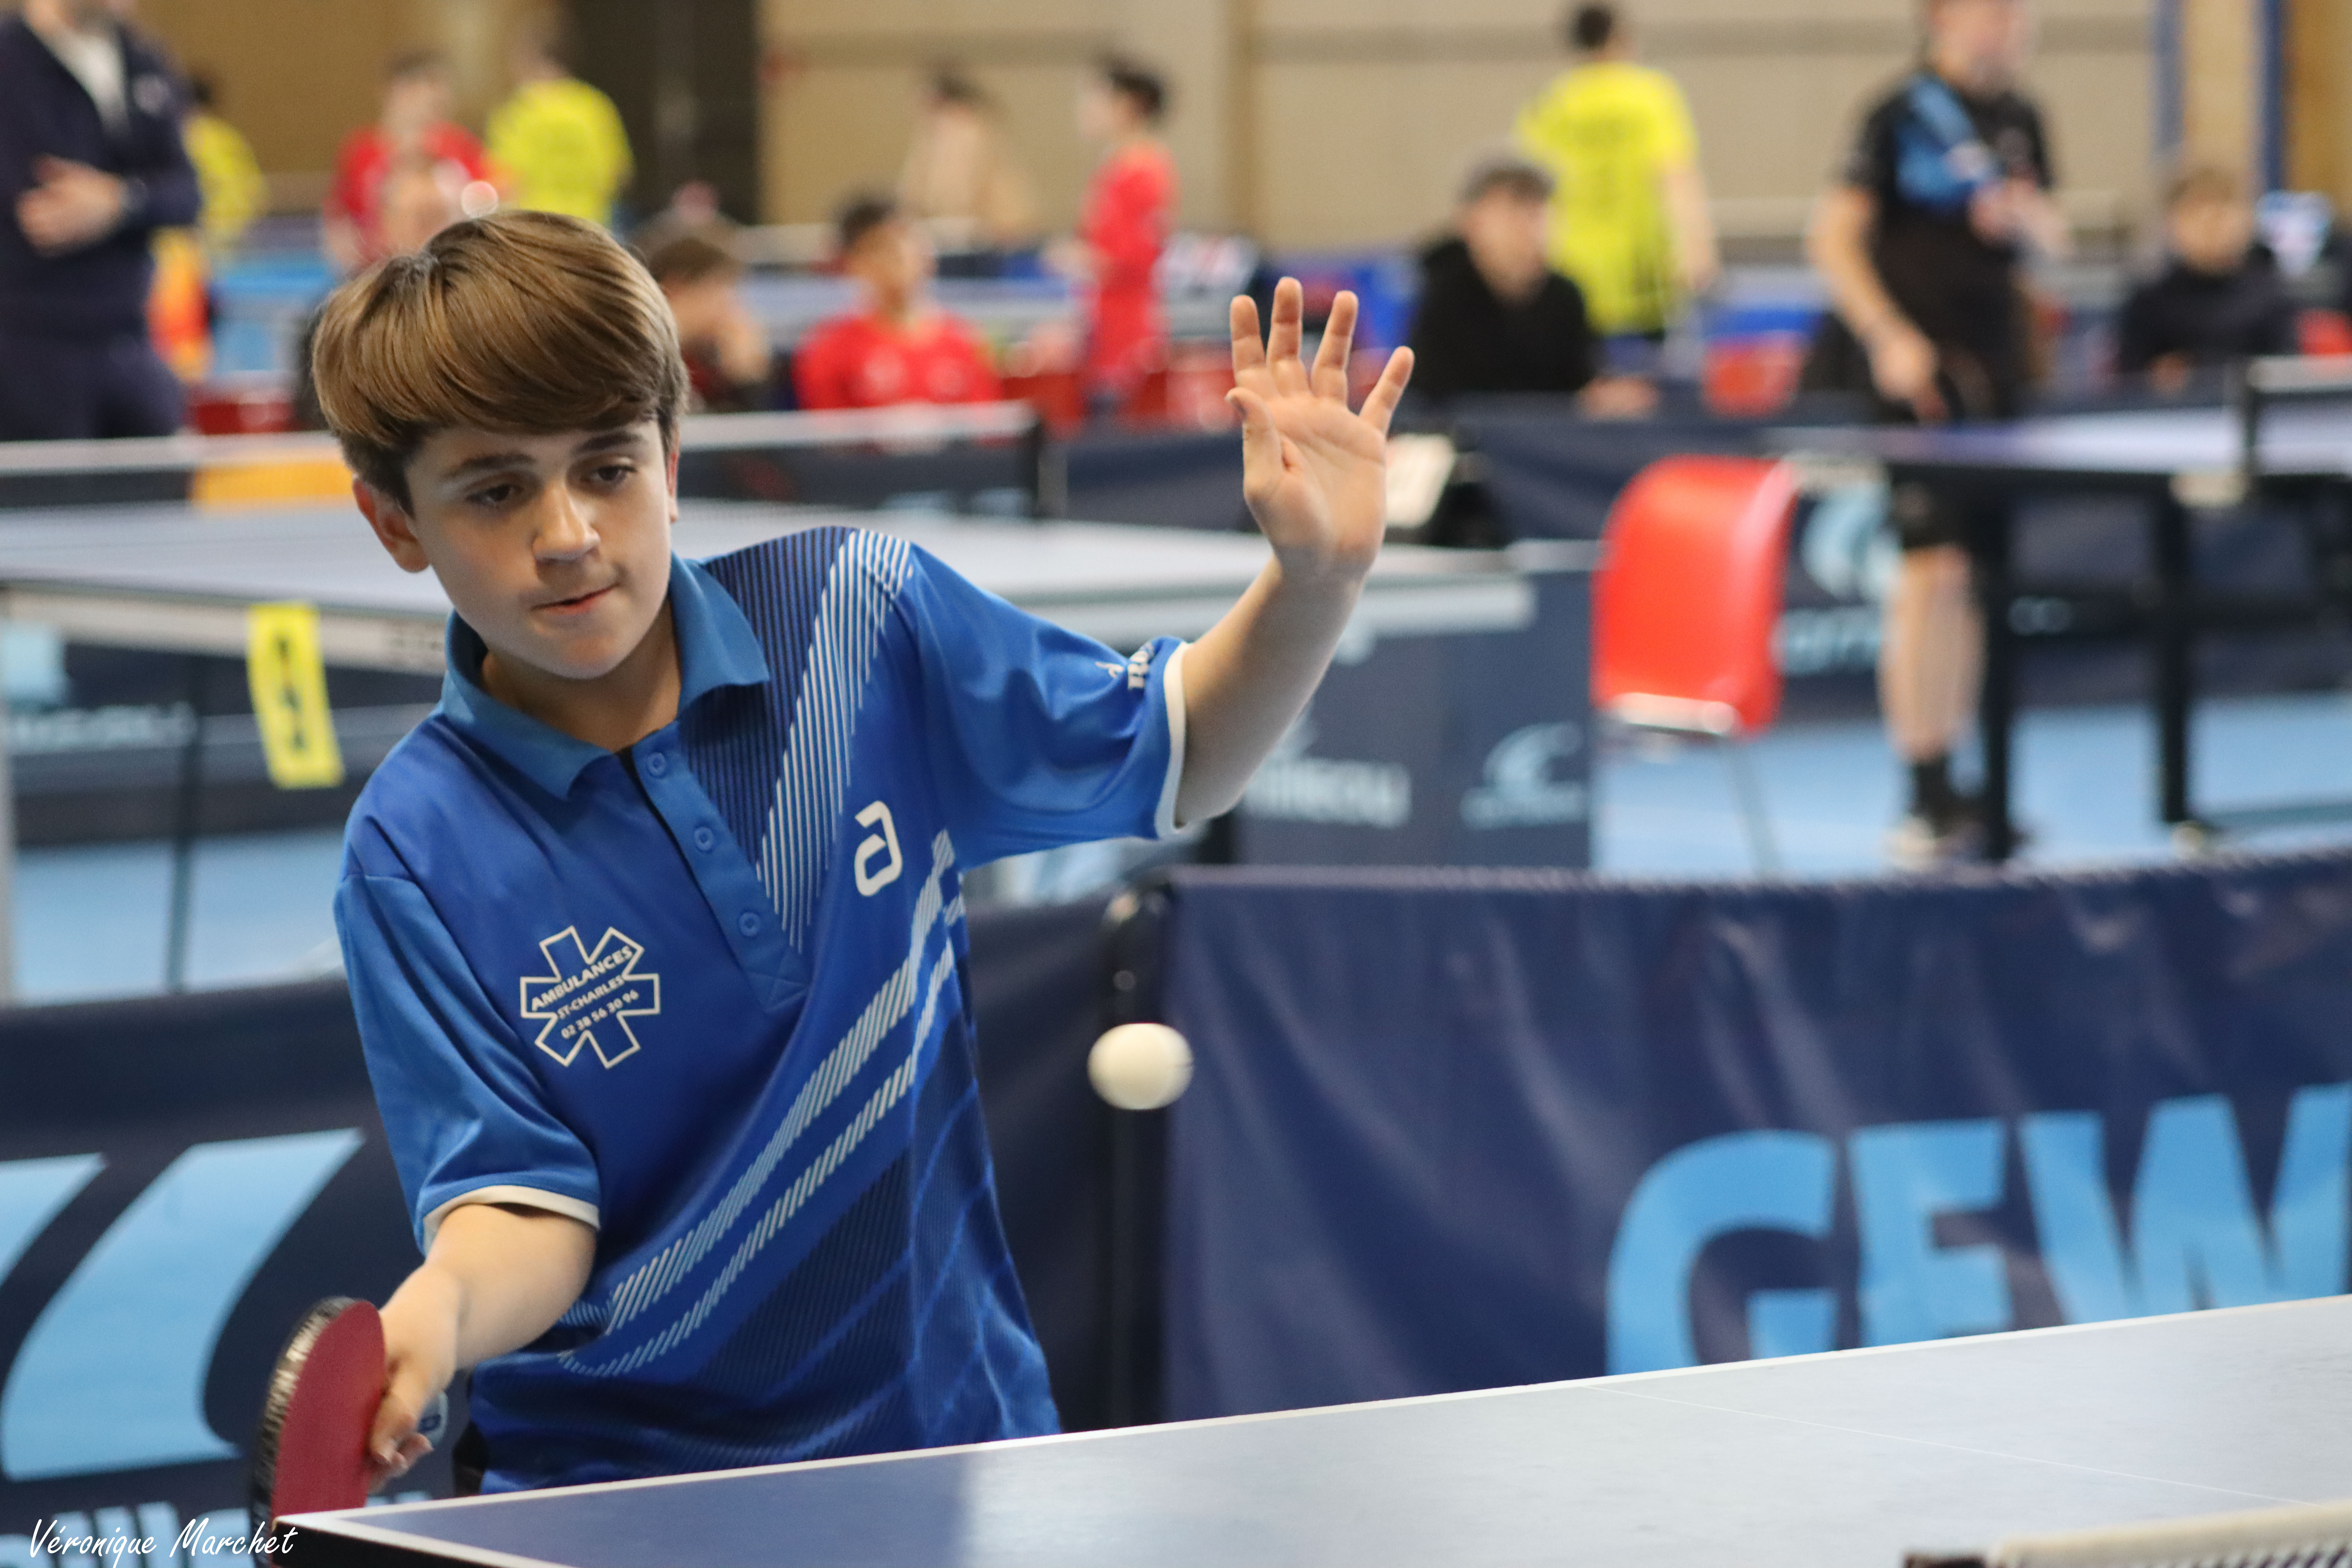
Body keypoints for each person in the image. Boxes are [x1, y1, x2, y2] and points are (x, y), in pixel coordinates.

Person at [304, 209, 1411, 1491]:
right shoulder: (415, 848)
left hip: (956, 1446)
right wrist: (438, 1311)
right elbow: (527, 1209)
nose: (567, 532)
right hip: (623, 1493)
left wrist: (1314, 583)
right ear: (396, 521)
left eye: (606, 466)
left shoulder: (855, 618)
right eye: (496, 489)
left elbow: (1180, 751)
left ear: (669, 455)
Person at [1806, 0, 2066, 864]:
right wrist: (1888, 336)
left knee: (1978, 583)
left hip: (1999, 388)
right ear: (1943, 18)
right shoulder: (1896, 114)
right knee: (1930, 573)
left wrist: (2028, 224)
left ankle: (1965, 781)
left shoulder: (2023, 119)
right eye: (1993, 8)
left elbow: (2052, 239)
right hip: (1918, 387)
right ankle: (1921, 792)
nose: (2011, 22)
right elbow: (1832, 240)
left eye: (2017, 10)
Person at [0, 0, 200, 441]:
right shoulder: (11, 64)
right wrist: (128, 201)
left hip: (131, 339)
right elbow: (40, 208)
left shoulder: (142, 60)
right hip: (29, 351)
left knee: (166, 470)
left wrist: (121, 201)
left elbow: (186, 194)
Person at [1514, 3, 1719, 361]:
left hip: (1571, 281)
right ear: (1620, 38)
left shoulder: (1551, 104)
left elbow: (1527, 196)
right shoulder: (1650, 96)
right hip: (1641, 283)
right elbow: (1675, 176)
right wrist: (1697, 249)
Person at [1407, 152, 1656, 415]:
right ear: (1472, 221)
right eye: (1513, 211)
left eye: (1537, 211)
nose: (1528, 228)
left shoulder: (1566, 298)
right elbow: (1428, 400)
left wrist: (1605, 398)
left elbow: (1581, 387)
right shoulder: (1442, 293)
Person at [795, 194, 1001, 412]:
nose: (902, 254)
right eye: (881, 247)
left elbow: (985, 424)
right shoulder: (829, 348)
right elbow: (828, 427)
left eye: (908, 239)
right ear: (854, 262)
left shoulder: (965, 341)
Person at [2115, 165, 2298, 393]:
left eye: (2222, 209)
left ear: (2248, 219)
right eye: (2195, 209)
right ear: (2171, 224)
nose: (2209, 222)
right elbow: (2128, 386)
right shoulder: (2148, 304)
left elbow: (2286, 379)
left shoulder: (2271, 298)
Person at [1061, 55, 1176, 413]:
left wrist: (1078, 258)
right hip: (1102, 325)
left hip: (1128, 334)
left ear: (1127, 106)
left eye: (1097, 98)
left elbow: (1136, 257)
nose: (1086, 108)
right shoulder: (1114, 168)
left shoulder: (1143, 171)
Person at [324, 50, 498, 274]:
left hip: (448, 267)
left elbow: (493, 198)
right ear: (397, 91)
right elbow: (340, 218)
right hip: (379, 270)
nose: (441, 97)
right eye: (429, 86)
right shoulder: (362, 151)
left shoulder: (459, 146)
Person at [486, 16, 631, 229]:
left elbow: (503, 183)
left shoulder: (515, 114)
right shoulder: (595, 107)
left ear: (528, 58)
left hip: (533, 230)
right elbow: (618, 175)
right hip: (589, 228)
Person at [639, 220, 784, 413]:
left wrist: (746, 376)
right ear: (676, 287)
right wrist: (747, 379)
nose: (732, 308)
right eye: (720, 289)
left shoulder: (705, 362)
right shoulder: (640, 364)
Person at [897, 67, 1038, 258]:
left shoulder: (967, 130)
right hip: (977, 234)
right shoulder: (933, 136)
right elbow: (914, 189)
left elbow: (956, 192)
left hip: (994, 235)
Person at [182, 71, 266, 254]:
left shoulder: (182, 139)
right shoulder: (229, 136)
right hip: (233, 232)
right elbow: (256, 190)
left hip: (200, 234)